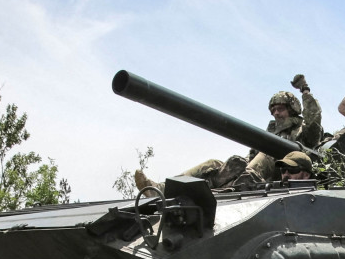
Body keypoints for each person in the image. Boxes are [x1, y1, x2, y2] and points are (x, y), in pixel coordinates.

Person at [135, 75, 321, 192]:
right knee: (213, 164)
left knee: (268, 152)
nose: (276, 113)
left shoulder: (303, 132)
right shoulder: (270, 133)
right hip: (251, 175)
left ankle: (237, 183)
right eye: (273, 111)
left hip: (273, 177)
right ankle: (160, 189)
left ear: (292, 109)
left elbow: (314, 118)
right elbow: (252, 157)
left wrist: (305, 91)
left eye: (280, 109)